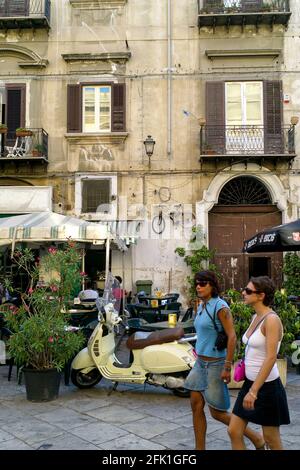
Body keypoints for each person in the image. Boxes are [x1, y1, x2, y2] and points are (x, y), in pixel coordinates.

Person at [184, 270, 265, 450]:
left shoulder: (220, 307)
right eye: (197, 283)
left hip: (216, 363)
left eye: (203, 283)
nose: (198, 286)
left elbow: (232, 337)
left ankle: (256, 437)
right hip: (200, 363)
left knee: (217, 413)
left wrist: (227, 366)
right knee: (196, 405)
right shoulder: (202, 305)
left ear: (212, 285)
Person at [228, 276, 290, 450]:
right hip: (250, 384)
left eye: (248, 291)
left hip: (267, 388)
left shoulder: (271, 320)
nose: (243, 293)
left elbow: (271, 357)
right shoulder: (256, 316)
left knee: (271, 439)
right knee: (234, 430)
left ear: (261, 295)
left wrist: (254, 391)